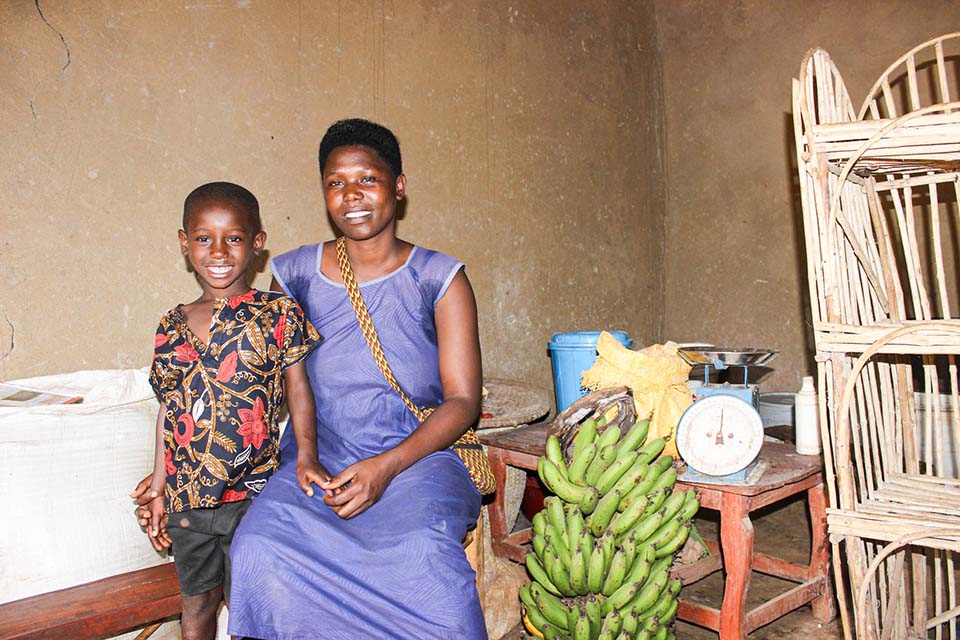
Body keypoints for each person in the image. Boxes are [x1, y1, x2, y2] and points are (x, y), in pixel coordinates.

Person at [133, 122, 486, 638]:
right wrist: (179, 471)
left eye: (368, 178)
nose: (352, 195)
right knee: (260, 547)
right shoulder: (295, 273)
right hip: (316, 458)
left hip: (418, 458)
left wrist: (385, 468)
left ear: (400, 186)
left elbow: (462, 402)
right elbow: (256, 384)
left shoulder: (439, 278)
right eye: (336, 182)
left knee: (420, 554)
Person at [145, 181, 327, 640]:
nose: (219, 250)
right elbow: (171, 410)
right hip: (189, 499)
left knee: (252, 603)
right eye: (204, 238)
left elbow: (300, 391)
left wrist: (306, 456)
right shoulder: (171, 326)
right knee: (198, 603)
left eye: (234, 237)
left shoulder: (277, 314)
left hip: (253, 494)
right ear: (185, 244)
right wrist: (159, 487)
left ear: (257, 244)